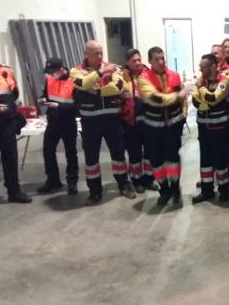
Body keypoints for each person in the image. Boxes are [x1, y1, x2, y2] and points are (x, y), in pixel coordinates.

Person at [71, 40, 136, 205]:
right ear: (86, 54)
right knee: (91, 158)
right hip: (90, 123)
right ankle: (94, 191)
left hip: (112, 120)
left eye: (101, 52)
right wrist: (100, 73)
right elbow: (83, 83)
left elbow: (117, 87)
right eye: (95, 53)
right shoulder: (76, 71)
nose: (99, 56)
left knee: (118, 155)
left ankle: (124, 184)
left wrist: (95, 92)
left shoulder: (114, 68)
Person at [138, 47, 188, 207]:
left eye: (162, 58)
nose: (161, 61)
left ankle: (175, 189)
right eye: (157, 59)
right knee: (156, 161)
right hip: (153, 128)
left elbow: (183, 100)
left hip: (173, 126)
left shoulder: (174, 75)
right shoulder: (144, 78)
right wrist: (176, 96)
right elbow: (155, 99)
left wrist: (184, 114)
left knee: (172, 159)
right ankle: (164, 190)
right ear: (150, 61)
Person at [0, 46, 30, 209]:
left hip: (7, 123)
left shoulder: (6, 71)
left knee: (10, 158)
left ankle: (14, 191)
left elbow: (15, 94)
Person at [191, 54, 229, 204]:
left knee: (220, 160)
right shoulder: (202, 81)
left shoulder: (224, 81)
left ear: (213, 66)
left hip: (219, 129)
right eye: (200, 67)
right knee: (205, 160)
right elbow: (195, 101)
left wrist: (201, 89)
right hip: (204, 129)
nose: (201, 69)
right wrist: (205, 97)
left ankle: (224, 190)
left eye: (204, 67)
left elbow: (213, 99)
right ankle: (207, 190)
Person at [37, 57, 79, 195]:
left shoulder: (74, 81)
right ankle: (53, 181)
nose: (50, 74)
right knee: (48, 151)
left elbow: (78, 107)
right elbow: (46, 95)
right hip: (53, 122)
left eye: (52, 71)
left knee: (70, 153)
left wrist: (59, 106)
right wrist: (43, 99)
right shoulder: (49, 79)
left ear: (61, 70)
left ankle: (72, 182)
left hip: (68, 122)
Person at [121, 49, 156, 193]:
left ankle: (149, 180)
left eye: (139, 59)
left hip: (149, 120)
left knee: (150, 152)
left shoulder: (149, 75)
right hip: (131, 121)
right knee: (135, 153)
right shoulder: (122, 76)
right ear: (127, 62)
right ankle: (137, 181)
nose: (137, 63)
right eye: (134, 60)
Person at [211, 44, 229, 188]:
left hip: (228, 113)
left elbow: (225, 85)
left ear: (224, 54)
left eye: (217, 53)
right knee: (213, 147)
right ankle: (216, 176)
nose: (214, 56)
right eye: (212, 53)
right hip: (211, 115)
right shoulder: (208, 70)